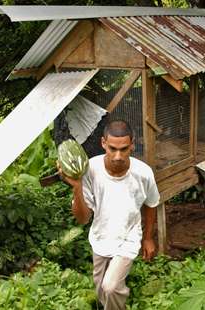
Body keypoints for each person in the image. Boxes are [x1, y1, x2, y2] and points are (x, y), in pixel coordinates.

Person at [57, 119, 160, 310]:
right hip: (100, 237)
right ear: (103, 143)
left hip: (129, 237)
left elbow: (152, 203)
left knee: (110, 287)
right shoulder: (90, 170)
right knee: (101, 291)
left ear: (132, 145)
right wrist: (77, 187)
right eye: (112, 148)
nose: (118, 156)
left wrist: (148, 238)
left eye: (124, 149)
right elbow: (83, 218)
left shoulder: (143, 173)